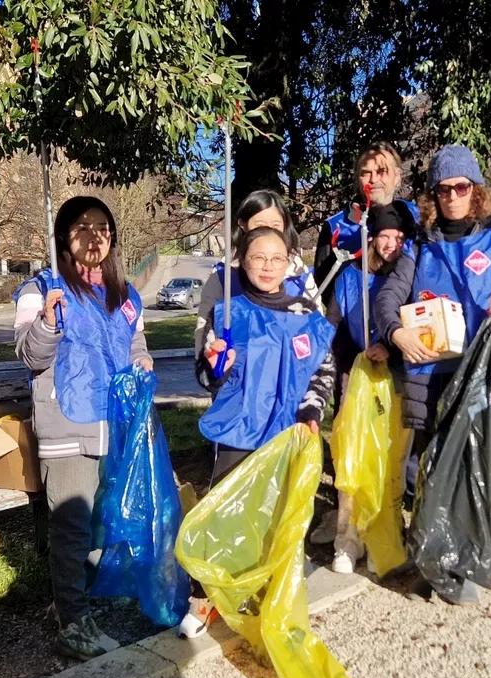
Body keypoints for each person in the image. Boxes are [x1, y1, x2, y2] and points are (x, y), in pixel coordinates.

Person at [373, 144, 491, 605]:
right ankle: (430, 557)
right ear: (432, 196)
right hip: (431, 377)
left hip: (482, 375)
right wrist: (396, 331)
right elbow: (388, 299)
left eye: (460, 187)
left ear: (475, 191)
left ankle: (465, 558)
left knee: (472, 470)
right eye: (442, 189)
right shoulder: (419, 248)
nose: (451, 196)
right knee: (429, 471)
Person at [12, 196, 154, 659]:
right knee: (71, 529)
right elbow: (31, 356)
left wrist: (144, 365)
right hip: (66, 424)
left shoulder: (125, 294)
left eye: (103, 228)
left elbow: (136, 347)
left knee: (98, 526)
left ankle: (76, 603)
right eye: (82, 227)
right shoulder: (40, 289)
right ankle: (72, 621)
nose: (94, 236)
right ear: (64, 237)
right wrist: (49, 323)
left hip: (114, 428)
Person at [180, 225, 338, 638]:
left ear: (289, 262)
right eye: (257, 258)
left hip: (286, 433)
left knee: (277, 516)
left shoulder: (306, 312)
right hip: (237, 430)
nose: (267, 267)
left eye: (276, 258)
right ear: (242, 261)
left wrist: (311, 411)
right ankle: (207, 595)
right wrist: (218, 364)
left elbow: (322, 371)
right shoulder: (230, 311)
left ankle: (269, 592)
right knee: (222, 513)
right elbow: (208, 376)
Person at [323, 200, 413, 574]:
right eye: (384, 236)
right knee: (353, 459)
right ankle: (348, 540)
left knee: (390, 461)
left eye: (398, 237)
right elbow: (332, 324)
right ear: (372, 238)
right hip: (357, 376)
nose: (390, 244)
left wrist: (390, 346)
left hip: (397, 378)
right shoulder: (349, 276)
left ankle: (383, 536)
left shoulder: (409, 274)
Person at [194, 190, 318, 352]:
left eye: (275, 226)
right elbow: (204, 333)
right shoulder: (224, 275)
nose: (268, 232)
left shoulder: (299, 273)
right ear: (242, 225)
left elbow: (316, 333)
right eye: (259, 225)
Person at [315, 143, 420, 301]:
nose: (374, 179)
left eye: (381, 171)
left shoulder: (417, 218)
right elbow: (325, 285)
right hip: (355, 321)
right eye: (366, 173)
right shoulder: (335, 227)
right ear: (358, 178)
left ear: (397, 176)